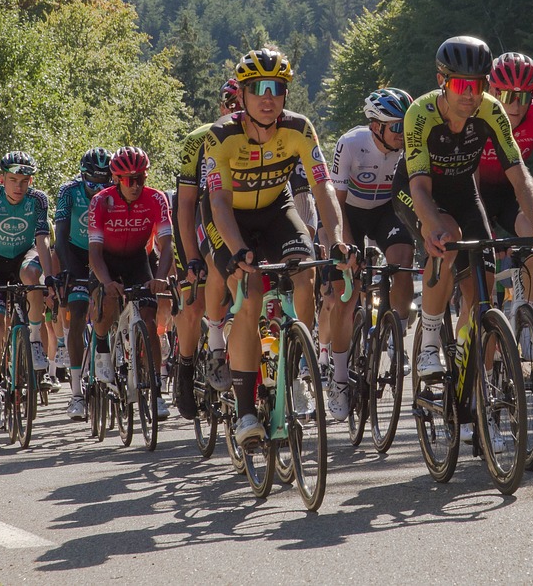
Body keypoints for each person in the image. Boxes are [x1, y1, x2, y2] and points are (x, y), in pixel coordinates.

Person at [392, 36, 533, 397]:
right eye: (461, 85)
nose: (470, 94)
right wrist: (433, 228)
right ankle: (428, 345)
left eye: (479, 84)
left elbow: (520, 174)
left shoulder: (490, 110)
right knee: (447, 240)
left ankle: (470, 375)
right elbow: (419, 187)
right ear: (442, 81)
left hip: (463, 192)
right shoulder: (420, 114)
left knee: (483, 290)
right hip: (418, 191)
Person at [202, 47, 355, 445]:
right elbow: (218, 203)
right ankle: (245, 412)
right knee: (250, 295)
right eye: (258, 88)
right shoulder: (221, 135)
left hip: (275, 209)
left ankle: (296, 359)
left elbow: (323, 189)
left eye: (277, 88)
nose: (268, 97)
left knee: (304, 271)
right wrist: (237, 250)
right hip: (230, 218)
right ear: (242, 94)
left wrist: (336, 239)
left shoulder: (300, 128)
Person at [326, 87, 416, 420]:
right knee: (346, 296)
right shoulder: (351, 144)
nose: (403, 134)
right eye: (396, 127)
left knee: (403, 261)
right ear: (376, 126)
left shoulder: (409, 149)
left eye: (407, 126)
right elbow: (335, 204)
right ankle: (339, 379)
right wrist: (346, 247)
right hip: (349, 213)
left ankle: (396, 338)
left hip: (386, 212)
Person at [171, 77, 244, 420]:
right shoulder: (197, 139)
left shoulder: (265, 136)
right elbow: (185, 205)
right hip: (200, 217)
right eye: (231, 105)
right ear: (221, 107)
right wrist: (191, 258)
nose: (237, 111)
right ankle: (186, 369)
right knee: (195, 300)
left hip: (243, 217)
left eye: (242, 104)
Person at [88, 145, 175, 421]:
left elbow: (167, 245)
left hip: (139, 259)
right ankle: (103, 349)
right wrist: (106, 281)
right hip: (107, 261)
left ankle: (156, 391)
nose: (136, 185)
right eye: (130, 180)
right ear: (116, 179)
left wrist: (161, 277)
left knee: (149, 321)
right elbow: (94, 253)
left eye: (141, 178)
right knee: (106, 302)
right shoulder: (100, 201)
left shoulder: (156, 198)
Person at [479, 52, 533, 312]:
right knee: (480, 269)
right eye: (508, 97)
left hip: (513, 192)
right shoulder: (476, 112)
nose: (516, 106)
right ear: (492, 91)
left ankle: (527, 317)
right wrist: (487, 233)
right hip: (473, 193)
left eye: (525, 97)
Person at [0, 151, 55, 431]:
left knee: (32, 276)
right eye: (13, 180)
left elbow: (42, 239)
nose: (19, 186)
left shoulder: (38, 200)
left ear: (31, 181)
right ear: (2, 179)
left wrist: (50, 277)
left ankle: (34, 340)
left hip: (26, 254)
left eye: (24, 181)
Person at [53, 147, 111, 420]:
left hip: (105, 251)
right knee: (76, 313)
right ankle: (76, 392)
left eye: (104, 182)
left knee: (110, 306)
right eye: (92, 183)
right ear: (82, 176)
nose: (98, 189)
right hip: (75, 253)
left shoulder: (115, 192)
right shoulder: (68, 191)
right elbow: (60, 236)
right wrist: (67, 270)